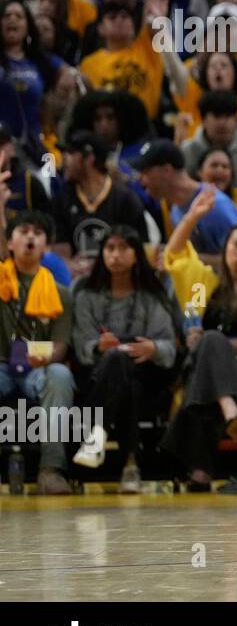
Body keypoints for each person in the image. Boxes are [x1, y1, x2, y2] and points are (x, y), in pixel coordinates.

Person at [160, 187, 237, 487]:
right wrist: (191, 217)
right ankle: (228, 405)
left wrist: (210, 345)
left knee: (208, 353)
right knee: (206, 360)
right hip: (203, 368)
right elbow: (174, 255)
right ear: (225, 249)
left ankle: (199, 472)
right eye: (235, 245)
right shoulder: (206, 283)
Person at [69, 226, 180, 493]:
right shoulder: (86, 295)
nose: (115, 255)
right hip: (99, 376)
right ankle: (131, 465)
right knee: (119, 368)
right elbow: (80, 343)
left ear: (136, 254)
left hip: (145, 371)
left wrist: (154, 348)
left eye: (123, 248)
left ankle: (95, 442)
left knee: (128, 376)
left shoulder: (151, 295)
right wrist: (97, 346)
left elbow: (169, 344)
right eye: (109, 248)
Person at [0, 204, 76, 494]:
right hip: (2, 365)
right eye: (23, 231)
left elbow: (61, 345)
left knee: (60, 374)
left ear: (47, 245)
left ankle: (51, 470)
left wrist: (41, 355)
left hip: (38, 368)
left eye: (38, 233)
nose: (30, 237)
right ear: (10, 242)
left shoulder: (62, 293)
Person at [50, 130, 149, 281]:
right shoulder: (62, 198)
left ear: (89, 158)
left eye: (70, 153)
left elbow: (139, 249)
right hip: (77, 281)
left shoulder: (125, 199)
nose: (64, 159)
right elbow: (60, 250)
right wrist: (69, 265)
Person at [131, 139, 237, 261]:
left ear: (166, 170)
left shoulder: (216, 205)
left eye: (145, 172)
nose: (140, 179)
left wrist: (182, 260)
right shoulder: (175, 209)